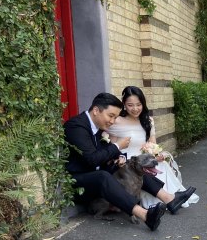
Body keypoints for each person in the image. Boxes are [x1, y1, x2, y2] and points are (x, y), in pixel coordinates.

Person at [64, 93, 196, 232]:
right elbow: (91, 159)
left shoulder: (97, 126)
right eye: (111, 116)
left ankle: (169, 199)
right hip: (79, 182)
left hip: (96, 174)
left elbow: (102, 152)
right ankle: (144, 215)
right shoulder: (76, 126)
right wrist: (117, 147)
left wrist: (118, 156)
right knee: (102, 176)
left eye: (115, 117)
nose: (113, 121)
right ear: (96, 110)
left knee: (134, 167)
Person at [107, 86, 199, 209]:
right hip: (125, 165)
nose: (135, 109)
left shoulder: (148, 120)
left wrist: (156, 154)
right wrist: (117, 159)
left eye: (138, 104)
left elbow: (153, 144)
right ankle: (170, 199)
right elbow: (111, 148)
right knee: (140, 169)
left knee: (160, 164)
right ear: (124, 104)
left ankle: (171, 198)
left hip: (143, 160)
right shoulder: (117, 121)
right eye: (130, 105)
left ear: (143, 104)